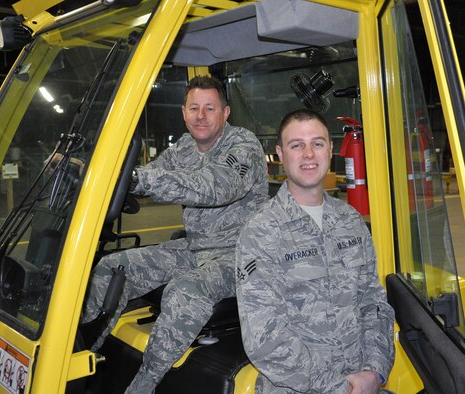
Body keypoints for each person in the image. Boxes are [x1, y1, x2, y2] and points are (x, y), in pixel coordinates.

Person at [81, 75, 269, 393]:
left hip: (240, 256)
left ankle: (145, 382)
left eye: (210, 108)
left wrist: (141, 180)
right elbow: (153, 172)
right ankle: (87, 354)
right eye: (194, 108)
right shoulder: (183, 147)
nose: (201, 115)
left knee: (185, 291)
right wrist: (100, 175)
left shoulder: (243, 145)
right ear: (183, 112)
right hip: (196, 248)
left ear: (225, 113)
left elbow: (217, 186)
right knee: (112, 268)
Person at [235, 109, 395, 394]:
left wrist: (374, 370)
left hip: (363, 383)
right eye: (297, 145)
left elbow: (373, 303)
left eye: (317, 143)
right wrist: (340, 387)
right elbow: (264, 337)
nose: (308, 154)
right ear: (280, 154)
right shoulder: (261, 232)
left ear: (331, 150)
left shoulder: (350, 221)